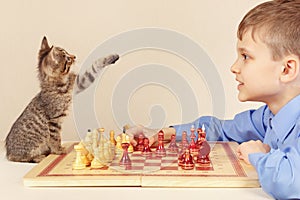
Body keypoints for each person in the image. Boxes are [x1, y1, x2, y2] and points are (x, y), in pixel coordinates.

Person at [126, 0, 300, 199]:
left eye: (245, 56)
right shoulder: (269, 116)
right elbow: (221, 130)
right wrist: (165, 133)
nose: (234, 67)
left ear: (287, 69)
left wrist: (257, 155)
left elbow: (291, 182)